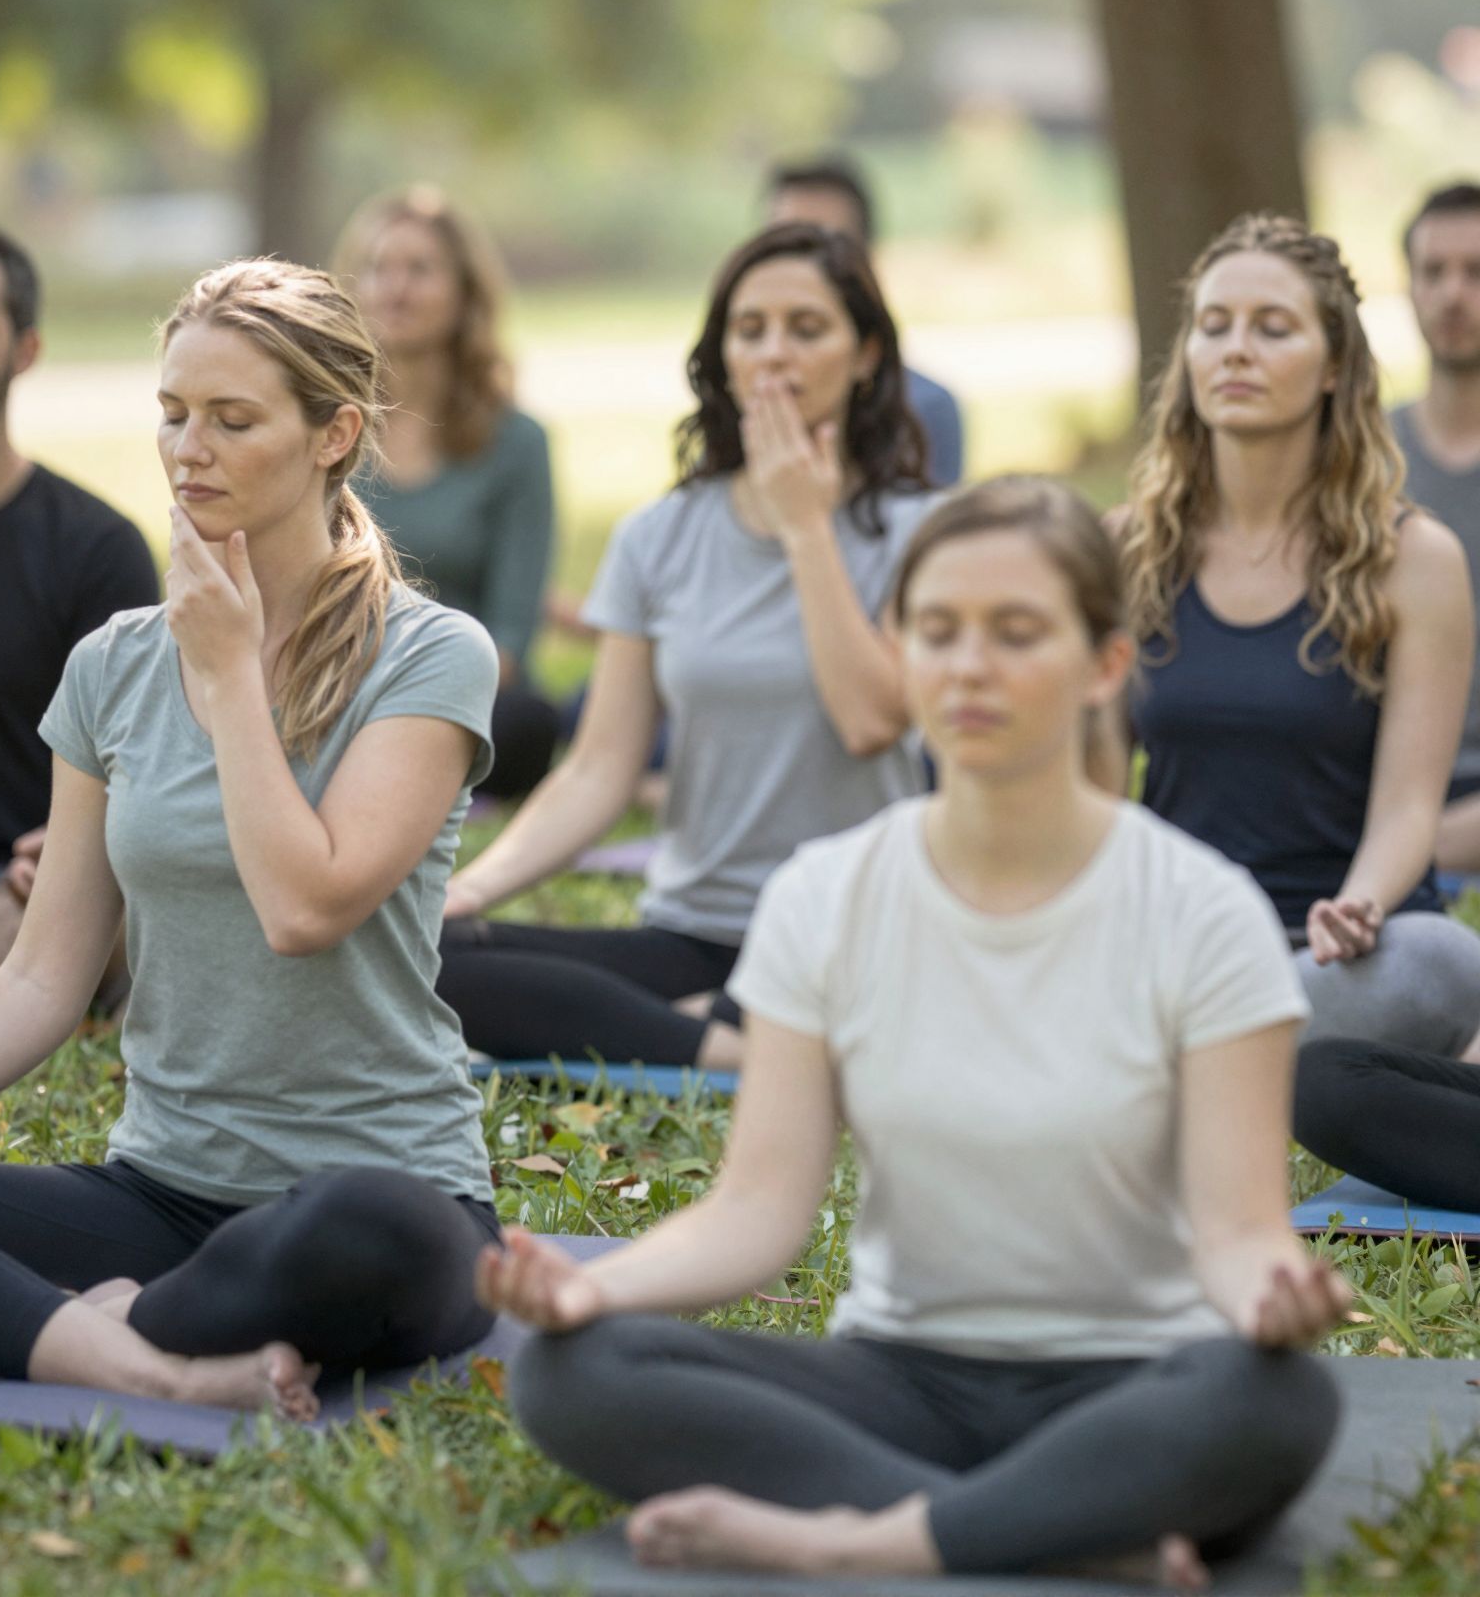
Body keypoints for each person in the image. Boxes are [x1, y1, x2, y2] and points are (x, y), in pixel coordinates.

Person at [482, 478, 1344, 1584]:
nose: (970, 666)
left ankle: (861, 1537)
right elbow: (757, 1209)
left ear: (1104, 666)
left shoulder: (1203, 906)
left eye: (1017, 632)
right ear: (901, 649)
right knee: (571, 1370)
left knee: (1276, 1399)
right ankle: (1067, 1530)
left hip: (1133, 1379)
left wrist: (1275, 1290)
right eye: (937, 631)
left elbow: (1239, 1230)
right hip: (900, 1385)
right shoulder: (826, 893)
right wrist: (590, 1289)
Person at [0, 260, 501, 1411]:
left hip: (379, 1196)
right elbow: (42, 976)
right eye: (173, 413)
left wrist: (229, 675)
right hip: (161, 1195)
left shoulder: (433, 655)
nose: (187, 448)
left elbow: (306, 907)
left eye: (233, 419)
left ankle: (72, 1322)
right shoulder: (110, 665)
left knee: (365, 1230)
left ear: (333, 434)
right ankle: (139, 1354)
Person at [438, 221, 934, 1071]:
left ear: (866, 357)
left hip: (854, 933)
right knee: (428, 961)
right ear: (723, 358)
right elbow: (599, 768)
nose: (775, 353)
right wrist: (471, 890)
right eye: (751, 330)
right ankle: (727, 1041)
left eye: (807, 329)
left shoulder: (924, 534)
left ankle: (710, 1035)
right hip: (696, 931)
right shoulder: (657, 537)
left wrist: (806, 527)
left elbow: (870, 721)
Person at [1113, 212, 1480, 1055]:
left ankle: (1212, 1051)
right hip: (1176, 950)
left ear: (1334, 367)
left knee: (1442, 962)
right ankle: (1223, 1045)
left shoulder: (1415, 560)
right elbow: (1095, 796)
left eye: (1272, 328)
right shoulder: (1124, 548)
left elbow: (1407, 807)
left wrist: (1358, 909)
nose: (1235, 349)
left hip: (1344, 956)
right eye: (1214, 327)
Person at [0, 220, 157, 1015]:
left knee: (29, 930)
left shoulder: (95, 549)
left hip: (22, 893)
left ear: (25, 350)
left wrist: (75, 858)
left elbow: (148, 769)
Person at [337, 186, 559, 800]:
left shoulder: (517, 442)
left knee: (528, 724)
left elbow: (511, 636)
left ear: (465, 294)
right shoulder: (326, 431)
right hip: (330, 689)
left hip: (466, 694)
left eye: (420, 270)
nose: (395, 288)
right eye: (380, 268)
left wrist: (406, 698)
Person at [764, 156, 964, 487]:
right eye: (783, 244)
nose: (803, 264)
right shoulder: (734, 416)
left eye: (828, 245)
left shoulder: (923, 410)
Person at [1386, 182, 1480, 874]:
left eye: (1477, 272)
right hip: (1377, 800)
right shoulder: (1355, 463)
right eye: (1434, 272)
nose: (1454, 294)